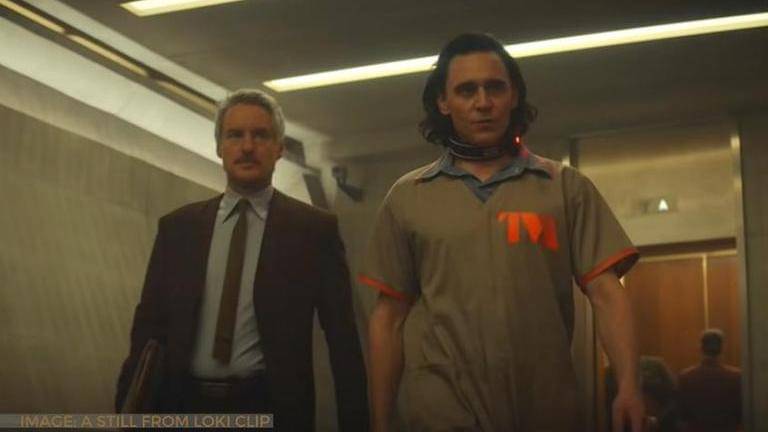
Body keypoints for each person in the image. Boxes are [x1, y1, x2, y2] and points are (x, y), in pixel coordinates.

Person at [362, 33, 644, 431]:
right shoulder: (408, 197)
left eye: (495, 87)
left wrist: (629, 386)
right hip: (442, 411)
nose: (483, 102)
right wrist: (380, 422)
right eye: (466, 90)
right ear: (443, 102)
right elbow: (388, 318)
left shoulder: (563, 187)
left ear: (513, 96)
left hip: (543, 408)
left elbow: (607, 294)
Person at [115, 89, 369, 431]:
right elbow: (146, 330)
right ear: (219, 147)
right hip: (182, 406)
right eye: (235, 135)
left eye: (260, 135)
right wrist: (124, 413)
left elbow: (343, 343)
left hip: (270, 410)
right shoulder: (178, 229)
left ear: (279, 148)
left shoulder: (313, 231)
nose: (247, 146)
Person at [678, 329, 741, 432]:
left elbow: (682, 413)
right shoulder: (736, 377)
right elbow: (740, 412)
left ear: (701, 348)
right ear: (722, 348)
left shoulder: (686, 377)